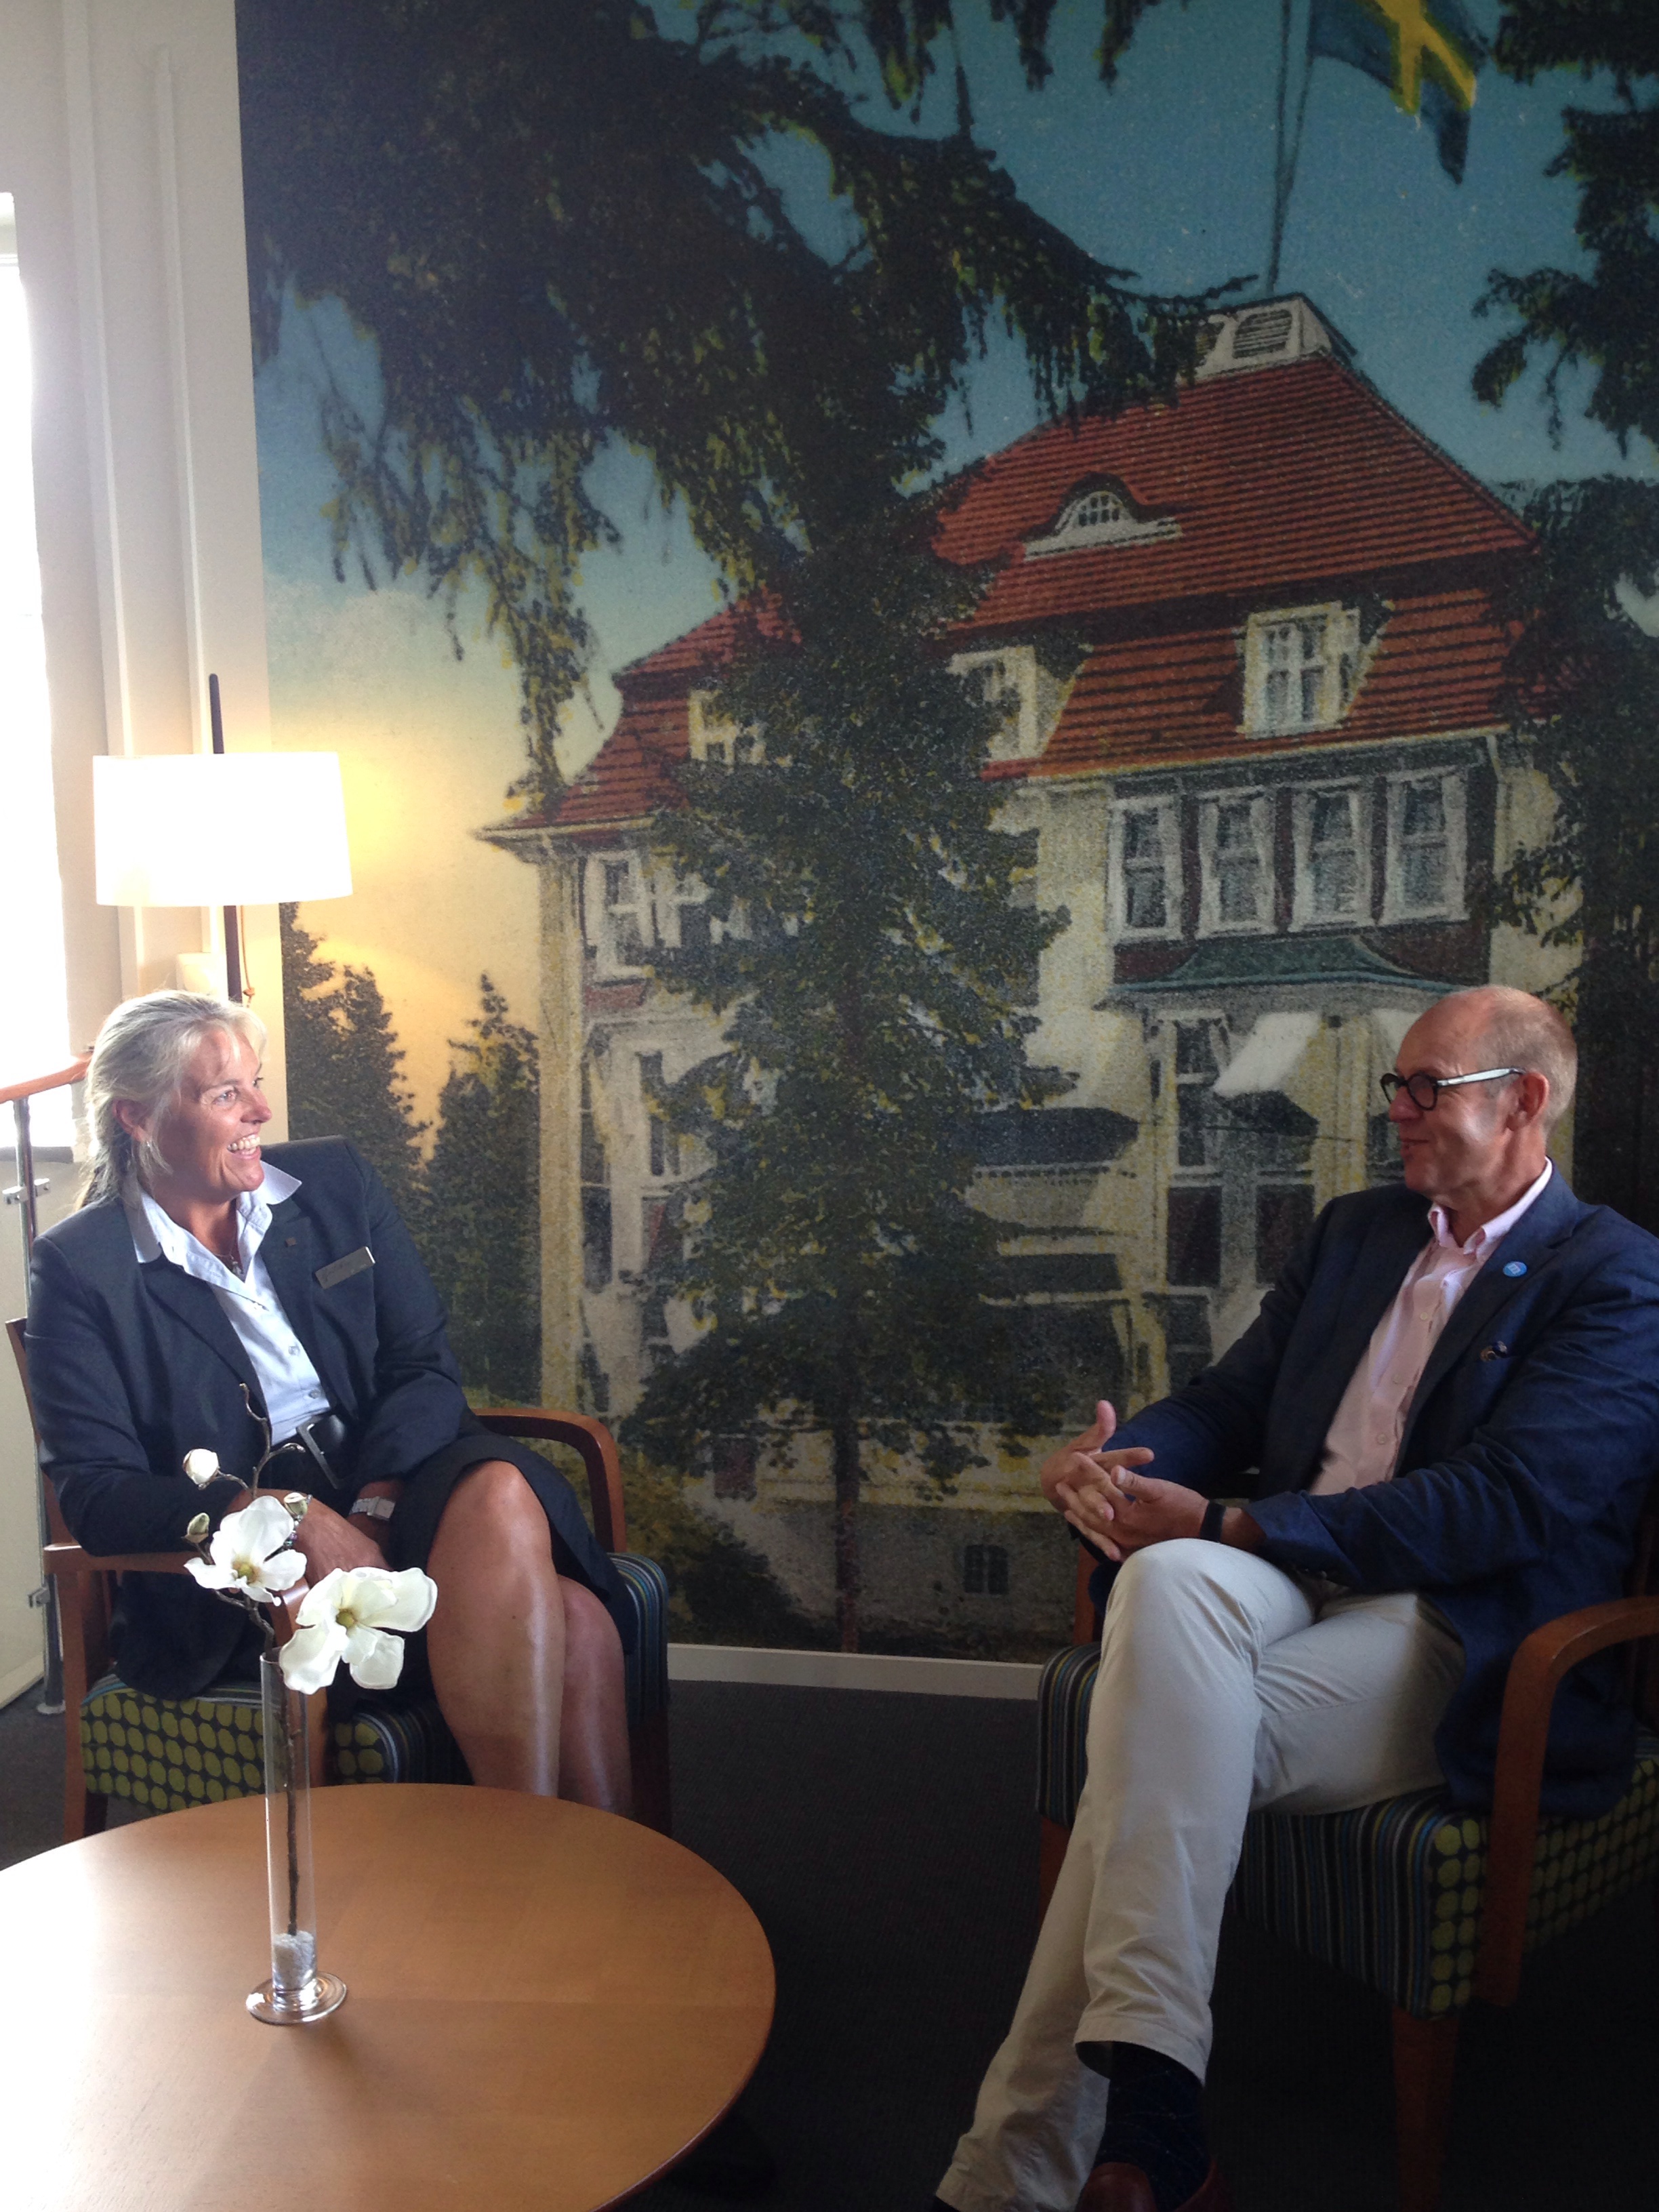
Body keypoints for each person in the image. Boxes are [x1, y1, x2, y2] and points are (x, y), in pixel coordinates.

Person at [930, 985, 1659, 2212]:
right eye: (1395, 1084)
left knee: (1148, 1754)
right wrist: (1124, 1464)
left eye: (1425, 1087)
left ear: (1523, 1101)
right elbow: (1230, 1402)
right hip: (1284, 1572)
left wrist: (1238, 1523)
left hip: (1454, 1622)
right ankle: (1159, 2120)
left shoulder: (1617, 1277)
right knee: (1165, 1576)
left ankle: (1022, 2170)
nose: (1396, 1110)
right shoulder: (1358, 1231)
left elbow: (1506, 1503)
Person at [27, 989, 632, 1809]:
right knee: (577, 1622)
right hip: (252, 1564)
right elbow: (97, 1495)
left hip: (399, 1475)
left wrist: (377, 1503)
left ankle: (529, 1861)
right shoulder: (82, 1267)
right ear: (137, 1118)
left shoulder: (335, 1181)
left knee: (498, 1489)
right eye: (226, 1094)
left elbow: (422, 1364)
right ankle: (542, 1865)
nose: (261, 1110)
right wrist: (284, 1513)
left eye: (256, 1083)